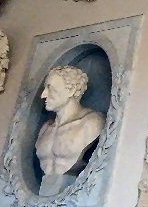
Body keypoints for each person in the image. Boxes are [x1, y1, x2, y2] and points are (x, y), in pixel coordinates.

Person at [35, 66, 105, 196]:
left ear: (71, 90)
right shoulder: (45, 128)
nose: (43, 94)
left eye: (50, 88)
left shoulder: (92, 123)